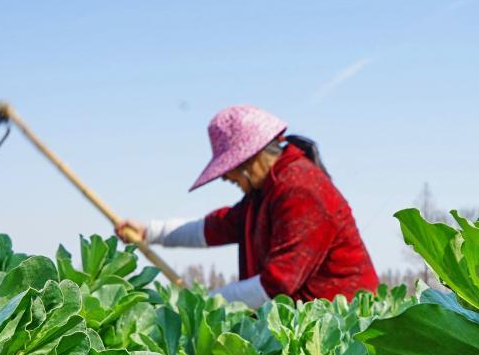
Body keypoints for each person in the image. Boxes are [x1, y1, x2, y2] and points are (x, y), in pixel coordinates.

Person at [116, 104, 378, 308]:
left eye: (228, 170)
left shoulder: (301, 190)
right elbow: (218, 227)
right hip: (302, 324)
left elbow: (278, 282)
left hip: (342, 328)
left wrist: (207, 304)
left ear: (250, 161)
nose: (225, 177)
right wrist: (148, 232)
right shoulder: (267, 191)